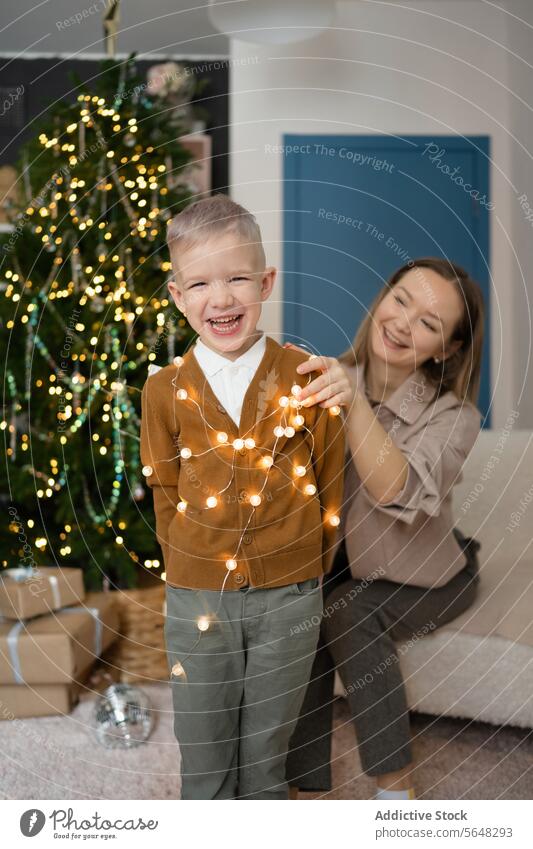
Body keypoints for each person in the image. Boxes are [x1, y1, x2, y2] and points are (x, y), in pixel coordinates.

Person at [140, 195, 345, 799]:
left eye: (237, 278)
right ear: (178, 296)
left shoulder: (304, 374)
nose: (221, 299)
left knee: (266, 754)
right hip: (196, 593)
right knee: (203, 747)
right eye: (200, 283)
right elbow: (163, 486)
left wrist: (306, 565)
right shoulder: (163, 390)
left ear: (266, 282)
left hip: (291, 595)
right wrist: (187, 561)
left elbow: (330, 477)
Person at [285, 257, 484, 800]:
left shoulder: (454, 416)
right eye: (401, 300)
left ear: (446, 350)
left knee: (348, 610)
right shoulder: (325, 377)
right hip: (340, 564)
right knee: (305, 605)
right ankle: (302, 792)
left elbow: (394, 490)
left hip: (431, 575)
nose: (402, 322)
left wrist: (350, 405)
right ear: (382, 297)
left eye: (429, 322)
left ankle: (397, 789)